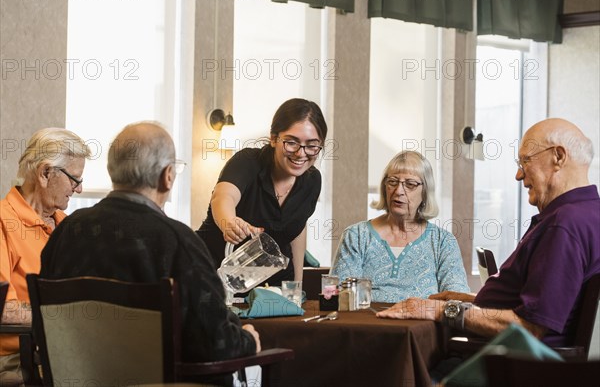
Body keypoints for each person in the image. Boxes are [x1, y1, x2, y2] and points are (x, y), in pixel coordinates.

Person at [39, 122, 260, 384]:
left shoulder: (66, 233)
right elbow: (216, 344)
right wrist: (248, 340)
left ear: (113, 171)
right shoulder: (178, 243)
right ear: (167, 176)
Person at [378, 118, 600, 349]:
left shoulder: (564, 225)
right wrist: (466, 300)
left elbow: (530, 328)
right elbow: (539, 305)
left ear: (558, 157)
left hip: (513, 368)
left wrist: (444, 309)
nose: (518, 175)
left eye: (525, 161)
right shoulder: (587, 214)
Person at [197, 98, 328, 285]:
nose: (301, 153)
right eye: (291, 142)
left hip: (271, 286)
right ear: (274, 139)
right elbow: (223, 197)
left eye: (312, 145)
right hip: (215, 279)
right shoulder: (247, 162)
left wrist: (296, 288)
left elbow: (298, 228)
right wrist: (229, 223)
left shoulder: (312, 180)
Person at [0, 128, 91, 382]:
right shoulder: (3, 222)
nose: (79, 189)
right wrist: (63, 318)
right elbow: (5, 311)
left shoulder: (67, 226)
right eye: (75, 179)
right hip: (18, 358)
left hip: (68, 350)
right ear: (45, 173)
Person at [331, 151, 470, 302]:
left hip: (423, 323)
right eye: (392, 182)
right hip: (367, 323)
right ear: (385, 187)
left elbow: (457, 298)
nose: (398, 191)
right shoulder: (356, 235)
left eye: (410, 184)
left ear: (425, 192)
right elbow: (339, 295)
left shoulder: (443, 242)